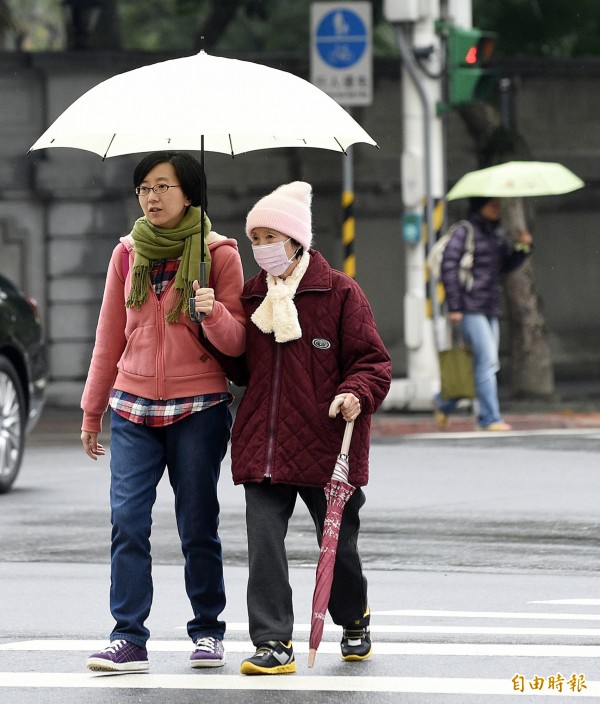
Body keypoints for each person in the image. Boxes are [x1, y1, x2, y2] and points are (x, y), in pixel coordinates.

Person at [80, 151, 245, 673]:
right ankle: (128, 635)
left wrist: (212, 311)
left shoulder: (219, 255)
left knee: (198, 522)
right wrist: (91, 411)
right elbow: (109, 336)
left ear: (189, 193)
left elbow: (239, 342)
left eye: (162, 187)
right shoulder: (128, 254)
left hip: (199, 407)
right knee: (127, 521)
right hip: (132, 407)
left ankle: (208, 629)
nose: (151, 198)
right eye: (144, 189)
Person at [231, 181, 391, 675]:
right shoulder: (252, 294)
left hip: (327, 447)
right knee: (263, 543)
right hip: (265, 444)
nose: (260, 249)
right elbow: (237, 368)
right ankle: (273, 641)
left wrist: (354, 393)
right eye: (253, 238)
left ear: (295, 239)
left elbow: (373, 363)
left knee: (338, 548)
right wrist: (212, 320)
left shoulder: (340, 291)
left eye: (268, 236)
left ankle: (353, 615)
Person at [435, 196, 533, 431]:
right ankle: (489, 418)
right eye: (493, 204)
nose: (498, 208)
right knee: (487, 361)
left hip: (489, 306)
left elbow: (505, 266)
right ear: (480, 206)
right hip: (469, 307)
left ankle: (444, 402)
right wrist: (455, 306)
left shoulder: (496, 233)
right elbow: (449, 268)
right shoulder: (464, 231)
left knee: (484, 363)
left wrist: (523, 247)